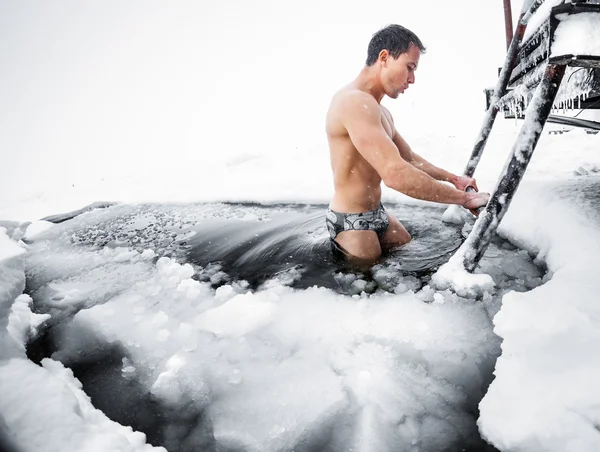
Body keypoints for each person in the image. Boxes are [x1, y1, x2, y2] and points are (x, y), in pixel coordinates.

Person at [325, 24, 490, 265]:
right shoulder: (353, 102)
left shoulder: (379, 110)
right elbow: (395, 173)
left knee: (407, 249)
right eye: (409, 67)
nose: (412, 79)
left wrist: (454, 179)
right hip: (351, 220)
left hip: (377, 213)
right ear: (384, 57)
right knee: (371, 289)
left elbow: (409, 159)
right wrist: (463, 199)